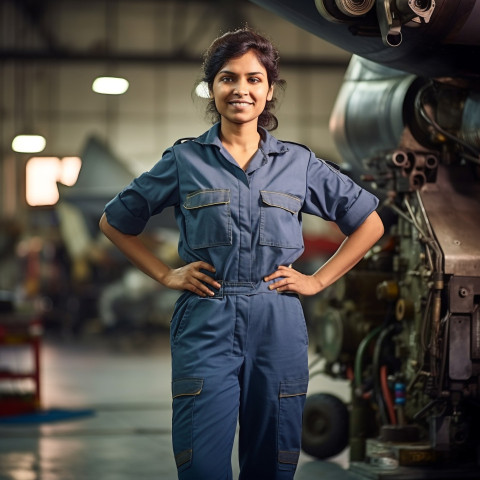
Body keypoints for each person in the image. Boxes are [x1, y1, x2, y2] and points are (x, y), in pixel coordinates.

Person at [99, 27, 384, 480]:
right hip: (206, 318)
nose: (241, 90)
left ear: (270, 90)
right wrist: (166, 275)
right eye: (228, 78)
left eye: (254, 79)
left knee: (272, 461)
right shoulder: (185, 161)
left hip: (278, 320)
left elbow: (369, 222)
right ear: (212, 88)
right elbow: (115, 221)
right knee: (202, 463)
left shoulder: (299, 164)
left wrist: (318, 280)